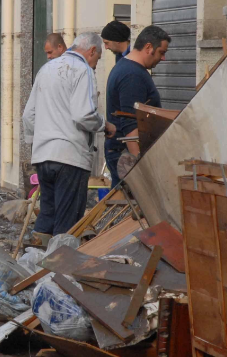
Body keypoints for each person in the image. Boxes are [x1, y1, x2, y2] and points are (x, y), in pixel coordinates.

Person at [22, 32, 108, 246]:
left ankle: (33, 268)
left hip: (43, 157)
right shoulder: (83, 70)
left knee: (47, 214)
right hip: (70, 157)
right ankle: (58, 273)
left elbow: (28, 116)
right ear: (92, 51)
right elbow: (83, 115)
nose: (96, 64)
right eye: (97, 59)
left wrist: (38, 143)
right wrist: (105, 125)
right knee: (67, 222)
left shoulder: (46, 69)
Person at [104, 25, 170, 187]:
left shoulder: (128, 68)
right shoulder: (132, 75)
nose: (163, 58)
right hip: (127, 154)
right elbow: (130, 123)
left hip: (122, 152)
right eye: (161, 52)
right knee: (129, 208)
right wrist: (140, 167)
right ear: (148, 47)